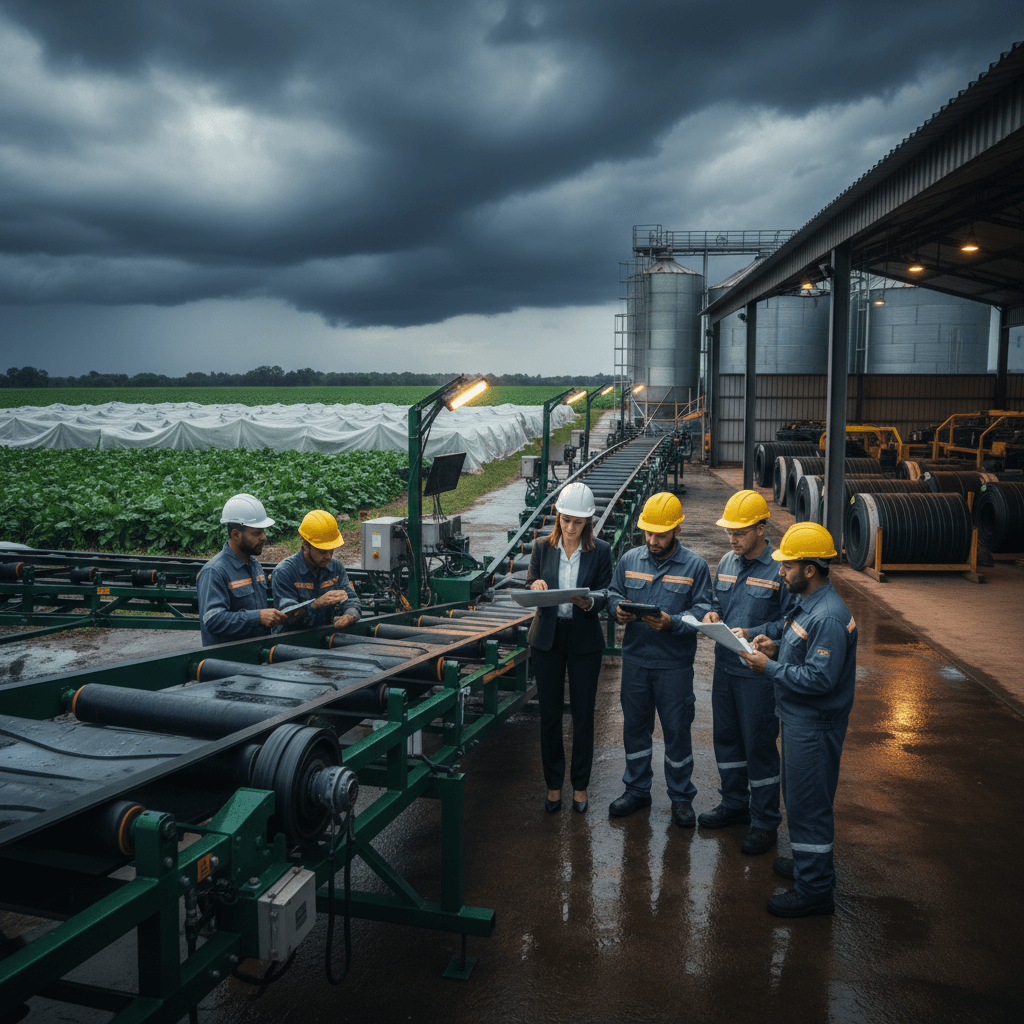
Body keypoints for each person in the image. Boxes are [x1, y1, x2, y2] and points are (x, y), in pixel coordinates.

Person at [739, 521, 858, 918]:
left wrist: (768, 669)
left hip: (814, 723)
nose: (780, 572)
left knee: (809, 806)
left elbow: (820, 679)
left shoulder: (826, 616)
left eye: (787, 566)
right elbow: (802, 656)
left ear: (809, 569)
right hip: (799, 720)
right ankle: (812, 867)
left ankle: (815, 891)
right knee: (802, 800)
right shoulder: (808, 607)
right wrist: (775, 649)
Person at [699, 490, 799, 856]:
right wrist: (711, 615)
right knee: (726, 741)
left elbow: (791, 621)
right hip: (726, 669)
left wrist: (761, 632)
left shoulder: (780, 569)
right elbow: (715, 602)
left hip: (758, 675)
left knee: (759, 746)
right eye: (729, 532)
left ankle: (765, 821)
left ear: (760, 528)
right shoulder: (727, 561)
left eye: (739, 532)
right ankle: (734, 804)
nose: (732, 538)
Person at [606, 492, 712, 827]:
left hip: (673, 666)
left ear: (677, 530)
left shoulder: (695, 566)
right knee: (635, 730)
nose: (652, 540)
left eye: (660, 534)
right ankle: (637, 790)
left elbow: (703, 611)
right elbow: (612, 592)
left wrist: (673, 623)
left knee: (676, 732)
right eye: (648, 533)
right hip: (636, 662)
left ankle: (681, 798)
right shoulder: (629, 559)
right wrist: (616, 609)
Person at [526, 482, 613, 814]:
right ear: (558, 517)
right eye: (566, 520)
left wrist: (588, 601)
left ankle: (579, 786)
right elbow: (533, 580)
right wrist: (535, 585)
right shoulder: (541, 547)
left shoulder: (600, 551)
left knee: (582, 715)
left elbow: (605, 594)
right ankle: (552, 785)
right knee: (549, 715)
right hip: (548, 637)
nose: (571, 528)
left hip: (584, 639)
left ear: (588, 523)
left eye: (578, 522)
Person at [197, 493, 286, 646]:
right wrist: (258, 617)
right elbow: (213, 620)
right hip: (228, 663)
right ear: (236, 534)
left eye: (263, 531)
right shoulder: (214, 571)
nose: (264, 537)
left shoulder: (255, 566)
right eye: (257, 533)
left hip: (257, 656)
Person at [271, 510, 361, 631]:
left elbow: (350, 598)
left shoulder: (336, 567)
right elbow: (286, 616)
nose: (329, 556)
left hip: (323, 636)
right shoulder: (285, 571)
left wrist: (350, 615)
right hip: (290, 641)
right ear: (305, 545)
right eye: (322, 551)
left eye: (332, 550)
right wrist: (315, 604)